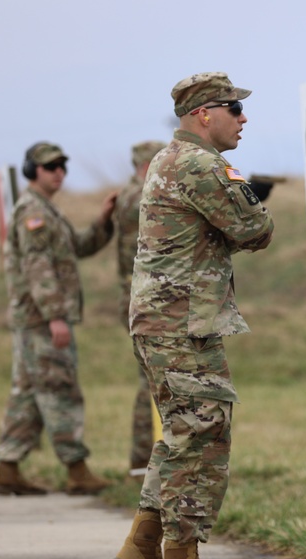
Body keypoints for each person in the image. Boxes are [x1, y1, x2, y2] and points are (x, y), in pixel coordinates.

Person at [106, 72, 274, 559]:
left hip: (169, 317)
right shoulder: (201, 164)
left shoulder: (166, 158)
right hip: (181, 320)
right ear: (204, 113)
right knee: (203, 435)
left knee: (184, 431)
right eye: (234, 108)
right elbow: (256, 229)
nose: (243, 118)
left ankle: (143, 547)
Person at [0, 142, 116, 496]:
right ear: (32, 170)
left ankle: (7, 468)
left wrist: (102, 221)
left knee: (28, 394)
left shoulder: (46, 210)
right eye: (50, 167)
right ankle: (77, 471)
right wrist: (55, 316)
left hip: (34, 321)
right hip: (41, 322)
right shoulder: (34, 212)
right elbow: (38, 268)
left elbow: (77, 247)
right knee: (60, 390)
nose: (59, 172)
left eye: (62, 166)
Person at [113, 140, 167, 479]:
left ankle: (144, 459)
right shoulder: (137, 197)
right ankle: (144, 458)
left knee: (151, 379)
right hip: (142, 301)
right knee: (152, 380)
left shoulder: (131, 195)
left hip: (142, 299)